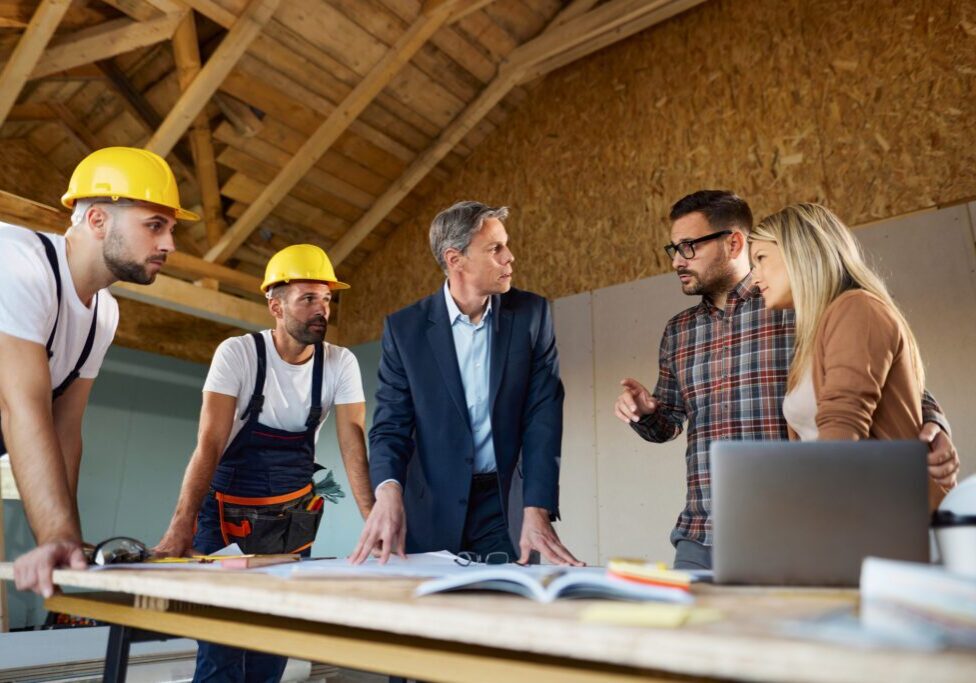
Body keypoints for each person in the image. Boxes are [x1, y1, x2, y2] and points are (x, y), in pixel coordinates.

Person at [613, 190, 959, 569]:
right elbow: (667, 425)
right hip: (702, 532)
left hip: (790, 530)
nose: (678, 260)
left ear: (734, 242)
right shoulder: (678, 332)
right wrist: (646, 413)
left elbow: (891, 382)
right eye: (673, 249)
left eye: (689, 246)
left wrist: (933, 425)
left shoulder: (801, 304)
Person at [154, 244, 373, 682]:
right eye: (308, 299)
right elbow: (209, 444)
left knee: (272, 647)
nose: (321, 310)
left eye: (327, 299)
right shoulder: (238, 354)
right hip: (223, 520)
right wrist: (182, 524)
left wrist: (374, 522)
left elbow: (354, 446)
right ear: (275, 305)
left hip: (290, 522)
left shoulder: (339, 362)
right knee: (221, 646)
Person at [1, 146, 197, 597]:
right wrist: (54, 536)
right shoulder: (19, 261)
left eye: (169, 229)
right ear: (96, 220)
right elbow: (20, 407)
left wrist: (67, 541)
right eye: (154, 226)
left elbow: (65, 430)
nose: (169, 244)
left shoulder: (103, 314)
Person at [351, 201, 581, 567]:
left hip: (505, 508)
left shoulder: (532, 315)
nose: (510, 257)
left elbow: (543, 417)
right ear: (455, 259)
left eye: (506, 245)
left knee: (504, 612)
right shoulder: (404, 329)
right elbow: (390, 426)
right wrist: (388, 491)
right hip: (429, 509)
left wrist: (536, 507)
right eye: (495, 249)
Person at [749, 202, 950, 509]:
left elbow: (843, 424)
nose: (754, 278)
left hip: (887, 516)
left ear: (800, 250)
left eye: (761, 258)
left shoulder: (857, 309)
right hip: (855, 515)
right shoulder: (815, 333)